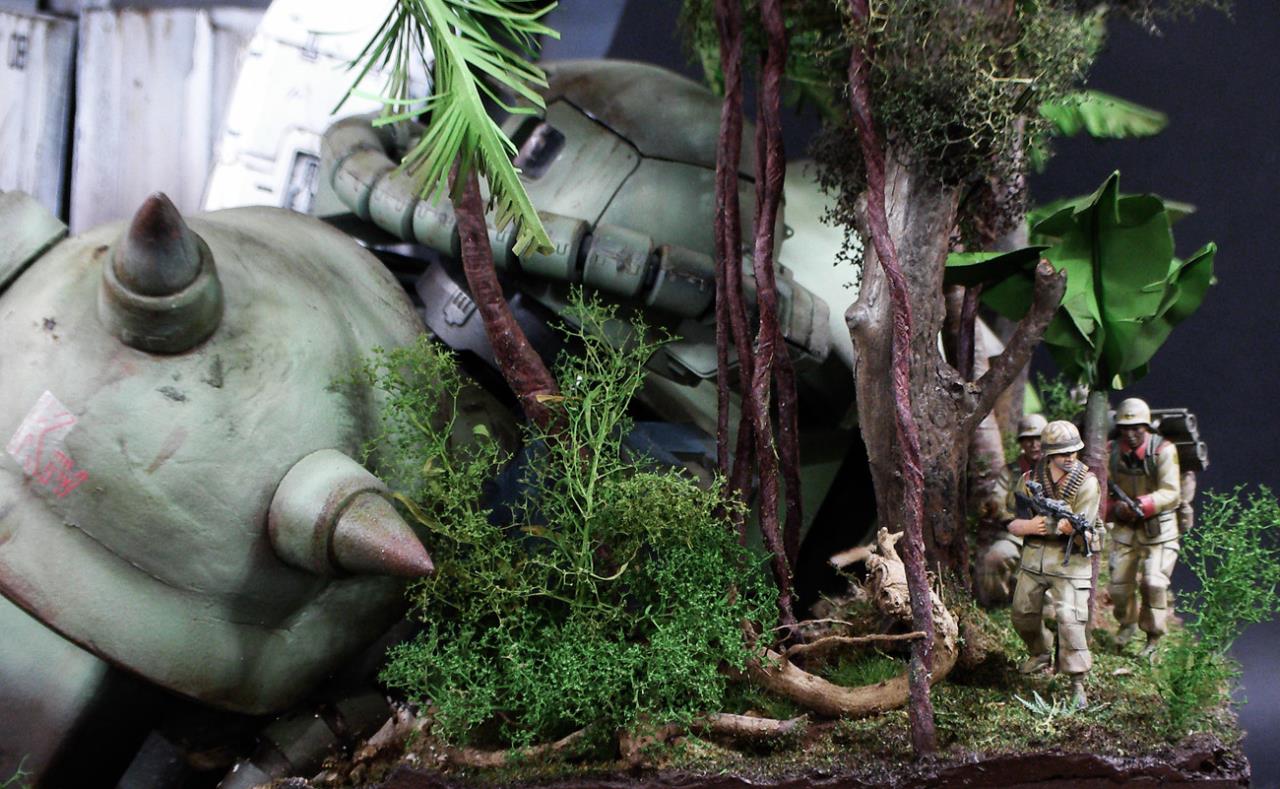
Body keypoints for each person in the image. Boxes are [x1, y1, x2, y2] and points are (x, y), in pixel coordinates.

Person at [1008, 420, 1100, 709]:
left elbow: (1081, 526)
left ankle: (1077, 682)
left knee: (1071, 622)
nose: (1070, 457)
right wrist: (1027, 526)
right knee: (1022, 614)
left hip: (1070, 562)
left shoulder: (1087, 483)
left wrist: (1061, 528)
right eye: (1063, 452)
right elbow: (1012, 520)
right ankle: (1040, 652)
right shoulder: (1028, 480)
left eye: (1073, 451)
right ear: (1049, 453)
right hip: (1034, 559)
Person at [1106, 397, 1181, 659]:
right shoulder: (1111, 452)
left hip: (1158, 528)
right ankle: (1126, 624)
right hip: (1125, 528)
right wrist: (1115, 508)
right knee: (1118, 586)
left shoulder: (1163, 451)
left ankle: (1153, 638)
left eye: (1136, 428)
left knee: (1154, 583)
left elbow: (1171, 492)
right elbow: (1101, 488)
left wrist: (1144, 504)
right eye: (1125, 428)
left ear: (1146, 427)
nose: (1131, 434)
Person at [977, 413, 1047, 606]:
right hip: (1017, 534)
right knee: (995, 558)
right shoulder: (1010, 472)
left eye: (1038, 439)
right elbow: (997, 500)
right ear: (1021, 443)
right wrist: (1003, 513)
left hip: (1050, 534)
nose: (1034, 445)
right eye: (1028, 439)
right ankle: (999, 602)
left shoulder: (1056, 470)